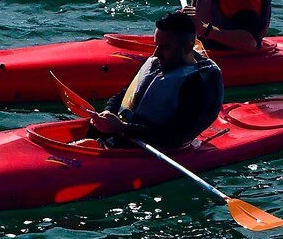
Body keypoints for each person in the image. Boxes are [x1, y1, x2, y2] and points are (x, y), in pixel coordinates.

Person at [86, 12, 224, 148]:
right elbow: (122, 96)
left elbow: (176, 136)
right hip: (123, 135)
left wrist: (123, 128)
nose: (156, 53)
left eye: (165, 47)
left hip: (152, 148)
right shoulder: (157, 63)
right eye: (156, 45)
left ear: (188, 47)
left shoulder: (199, 83)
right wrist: (108, 112)